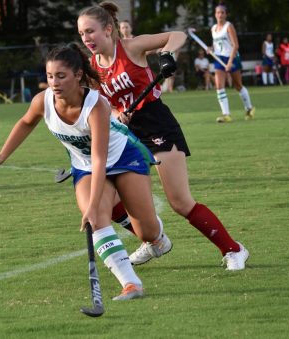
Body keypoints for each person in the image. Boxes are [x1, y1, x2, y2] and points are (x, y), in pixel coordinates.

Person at [0, 43, 172, 300]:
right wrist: (2, 154)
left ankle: (156, 235)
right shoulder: (43, 101)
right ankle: (131, 284)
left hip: (123, 158)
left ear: (78, 75)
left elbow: (100, 157)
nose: (54, 83)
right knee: (95, 219)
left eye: (61, 76)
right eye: (49, 76)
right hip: (85, 166)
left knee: (146, 231)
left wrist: (94, 203)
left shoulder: (96, 106)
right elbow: (26, 122)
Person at [77, 1, 249, 271]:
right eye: (82, 34)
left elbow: (176, 35)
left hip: (156, 124)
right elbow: (103, 105)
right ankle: (154, 241)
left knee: (180, 201)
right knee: (105, 197)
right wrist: (115, 115)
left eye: (90, 32)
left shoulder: (131, 47)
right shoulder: (92, 67)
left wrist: (166, 54)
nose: (86, 39)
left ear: (108, 29)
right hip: (125, 134)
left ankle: (234, 249)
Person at [209, 3, 255, 123]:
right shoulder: (213, 28)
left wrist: (230, 62)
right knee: (219, 86)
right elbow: (216, 45)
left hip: (232, 57)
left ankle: (249, 108)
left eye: (222, 12)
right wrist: (210, 49)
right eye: (218, 12)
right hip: (219, 58)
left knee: (237, 85)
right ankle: (226, 115)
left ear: (226, 14)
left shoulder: (229, 26)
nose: (220, 15)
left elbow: (235, 45)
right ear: (215, 14)